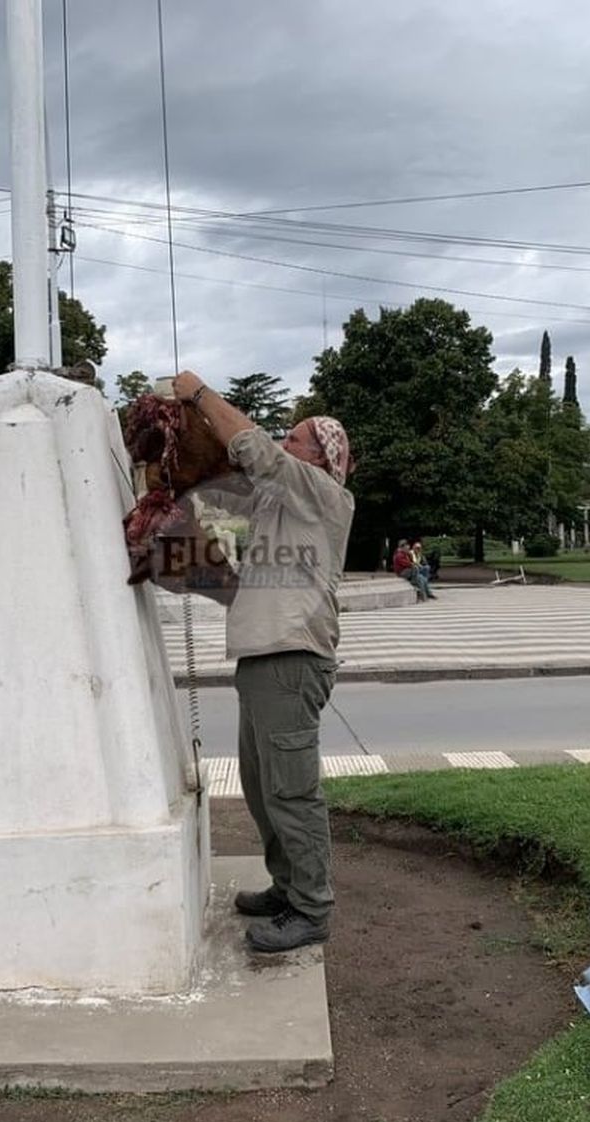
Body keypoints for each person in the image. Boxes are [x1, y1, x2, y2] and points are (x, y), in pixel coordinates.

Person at [172, 370, 354, 954]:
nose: (285, 441)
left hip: (292, 658)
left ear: (321, 456)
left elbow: (255, 450)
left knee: (292, 791)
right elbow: (243, 582)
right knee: (261, 786)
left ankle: (312, 908)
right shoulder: (284, 510)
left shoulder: (323, 493)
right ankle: (287, 886)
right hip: (264, 660)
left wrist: (199, 394)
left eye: (296, 437)